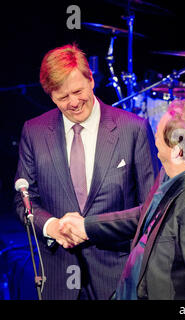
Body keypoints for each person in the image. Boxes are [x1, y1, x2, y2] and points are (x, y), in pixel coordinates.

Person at [13, 43, 159, 300]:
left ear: (91, 79)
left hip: (118, 277)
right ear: (50, 96)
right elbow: (24, 201)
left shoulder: (133, 129)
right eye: (62, 98)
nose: (73, 103)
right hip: (57, 277)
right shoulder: (34, 132)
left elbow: (153, 208)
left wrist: (90, 227)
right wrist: (51, 226)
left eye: (78, 91)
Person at [58, 100, 185, 299]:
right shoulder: (170, 173)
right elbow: (145, 214)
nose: (154, 134)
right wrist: (86, 226)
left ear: (178, 151)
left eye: (158, 130)